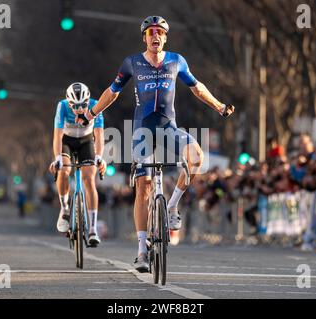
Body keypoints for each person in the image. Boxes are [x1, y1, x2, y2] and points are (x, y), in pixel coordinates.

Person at [77, 16, 234, 272]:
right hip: (142, 131)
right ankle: (141, 251)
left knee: (196, 157)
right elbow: (112, 92)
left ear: (165, 37)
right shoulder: (132, 63)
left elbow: (197, 87)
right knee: (144, 187)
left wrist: (219, 106)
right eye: (150, 33)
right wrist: (91, 113)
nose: (155, 36)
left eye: (160, 32)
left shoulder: (176, 60)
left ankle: (171, 207)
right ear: (144, 38)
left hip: (168, 128)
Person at [49, 82, 107, 247]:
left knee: (89, 179)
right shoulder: (62, 107)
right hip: (67, 141)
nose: (80, 109)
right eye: (75, 105)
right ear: (69, 102)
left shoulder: (96, 106)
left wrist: (99, 157)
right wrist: (57, 157)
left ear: (88, 101)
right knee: (64, 170)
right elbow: (57, 136)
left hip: (86, 141)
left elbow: (99, 135)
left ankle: (93, 229)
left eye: (83, 105)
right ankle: (64, 207)